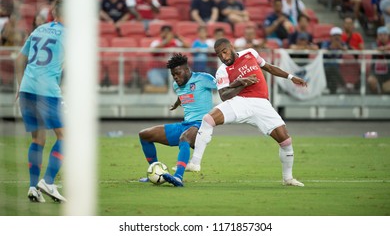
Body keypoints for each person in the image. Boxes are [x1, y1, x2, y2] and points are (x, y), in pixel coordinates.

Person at [183, 38, 307, 187]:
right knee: (208, 119)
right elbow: (224, 95)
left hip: (262, 104)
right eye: (219, 54)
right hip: (241, 102)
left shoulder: (250, 53)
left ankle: (288, 179)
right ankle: (195, 162)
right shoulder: (222, 70)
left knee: (285, 141)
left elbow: (268, 67)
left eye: (225, 52)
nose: (223, 57)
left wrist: (291, 77)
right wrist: (241, 83)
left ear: (231, 47)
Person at [15, 0, 66, 203]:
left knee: (38, 139)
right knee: (66, 137)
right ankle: (48, 181)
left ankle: (33, 187)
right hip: (47, 92)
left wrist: (20, 86)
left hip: (27, 88)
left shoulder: (39, 29)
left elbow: (20, 59)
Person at [138, 53, 217, 187]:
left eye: (178, 73)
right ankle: (155, 171)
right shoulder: (176, 85)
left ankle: (178, 177)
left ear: (187, 70)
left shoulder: (204, 78)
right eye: (173, 74)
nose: (175, 77)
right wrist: (176, 103)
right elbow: (183, 95)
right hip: (185, 125)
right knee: (144, 135)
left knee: (184, 138)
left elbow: (223, 86)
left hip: (201, 125)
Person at [320, 26, 348, 94]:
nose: (337, 38)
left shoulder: (342, 43)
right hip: (324, 68)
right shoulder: (326, 43)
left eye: (339, 36)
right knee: (332, 68)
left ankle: (332, 94)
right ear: (331, 37)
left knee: (333, 78)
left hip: (336, 70)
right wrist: (331, 47)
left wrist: (340, 46)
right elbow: (323, 51)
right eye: (335, 36)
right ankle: (344, 85)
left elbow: (346, 49)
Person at [367, 26, 390, 94]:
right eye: (380, 35)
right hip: (376, 72)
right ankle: (376, 97)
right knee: (370, 80)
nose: (382, 37)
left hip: (388, 73)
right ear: (377, 36)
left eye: (384, 35)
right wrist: (385, 48)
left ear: (388, 36)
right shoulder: (374, 44)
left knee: (387, 88)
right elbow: (375, 49)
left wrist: (384, 48)